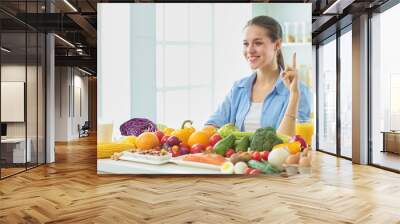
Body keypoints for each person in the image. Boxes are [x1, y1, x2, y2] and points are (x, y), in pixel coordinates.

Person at [205, 16, 311, 137]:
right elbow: (212, 125)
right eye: (246, 44)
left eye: (258, 43)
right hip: (239, 156)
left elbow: (294, 142)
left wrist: (294, 95)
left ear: (277, 45)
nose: (250, 50)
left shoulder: (298, 90)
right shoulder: (238, 88)